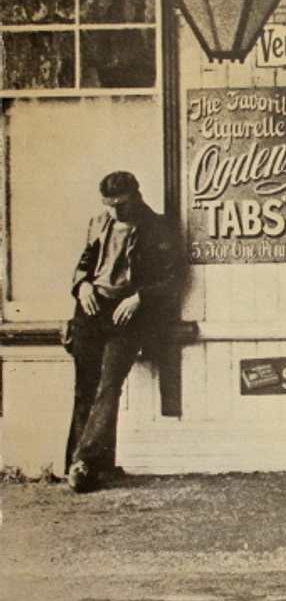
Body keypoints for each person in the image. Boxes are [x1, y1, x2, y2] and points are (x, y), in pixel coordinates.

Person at [65, 171, 185, 493]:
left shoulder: (159, 227)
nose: (114, 211)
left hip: (129, 314)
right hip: (91, 310)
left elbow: (174, 279)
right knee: (85, 388)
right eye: (108, 205)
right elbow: (84, 263)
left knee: (109, 385)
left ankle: (83, 463)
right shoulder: (98, 222)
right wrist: (83, 286)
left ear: (136, 195)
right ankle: (93, 467)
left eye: (120, 204)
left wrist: (140, 298)